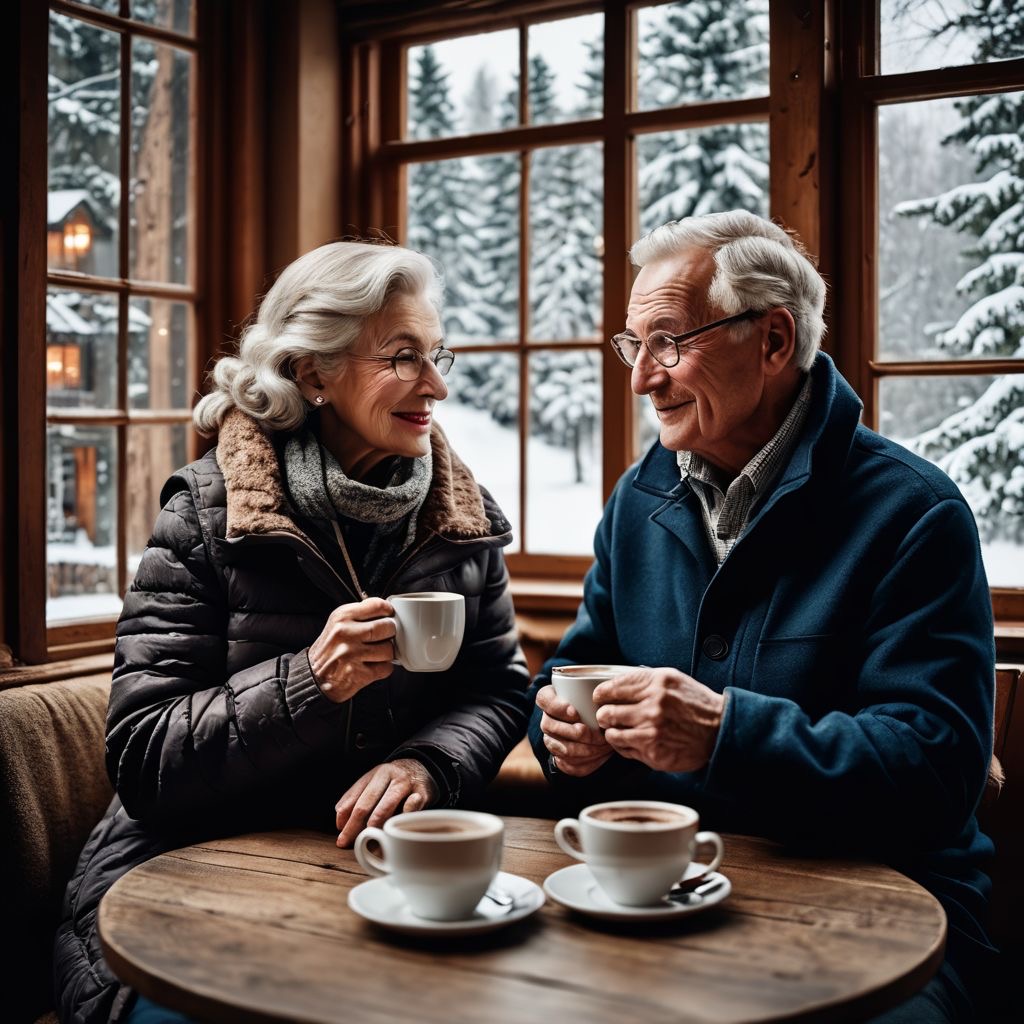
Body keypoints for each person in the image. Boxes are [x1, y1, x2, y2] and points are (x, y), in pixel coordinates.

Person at [530, 210, 997, 1022]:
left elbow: (937, 772)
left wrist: (723, 734)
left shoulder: (915, 513)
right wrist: (566, 740)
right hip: (671, 895)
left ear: (774, 340)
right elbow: (573, 671)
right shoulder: (638, 500)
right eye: (632, 345)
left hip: (886, 918)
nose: (642, 378)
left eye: (669, 342)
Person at [55, 240, 531, 1022]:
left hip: (375, 875)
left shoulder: (459, 517)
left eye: (436, 354)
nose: (438, 385)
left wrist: (427, 763)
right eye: (403, 357)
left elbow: (497, 689)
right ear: (314, 374)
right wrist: (308, 682)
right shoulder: (206, 515)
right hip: (187, 889)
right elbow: (142, 760)